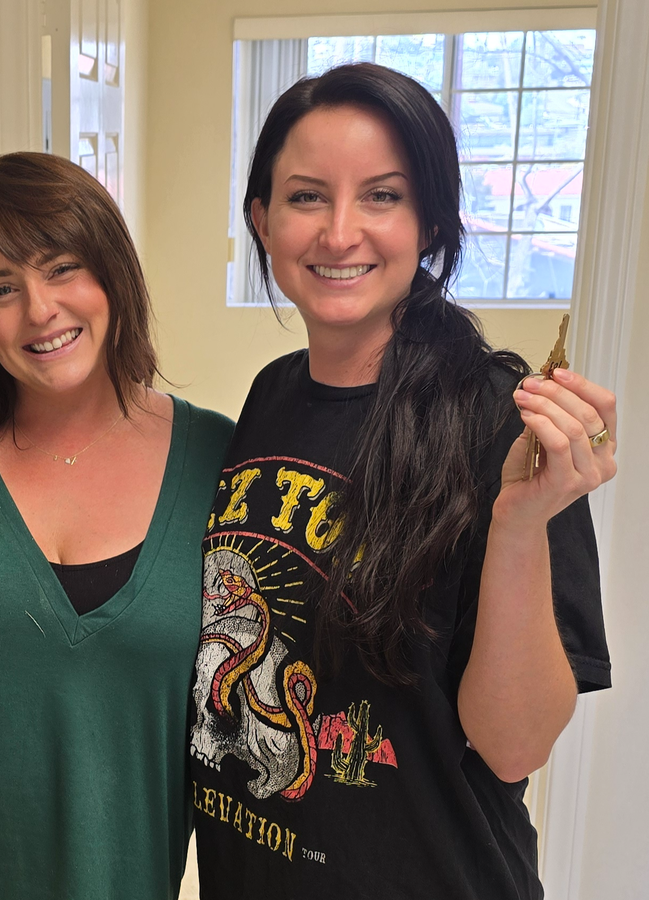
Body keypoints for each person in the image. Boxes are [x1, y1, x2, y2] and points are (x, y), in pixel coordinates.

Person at [187, 63, 615, 899]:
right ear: (262, 220)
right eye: (307, 196)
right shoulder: (270, 394)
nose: (340, 232)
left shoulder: (498, 419)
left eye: (382, 195)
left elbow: (515, 746)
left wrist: (521, 525)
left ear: (430, 223)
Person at [0, 151, 232, 899]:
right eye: (1, 288)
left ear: (113, 273)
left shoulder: (221, 463)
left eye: (63, 267)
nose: (39, 310)